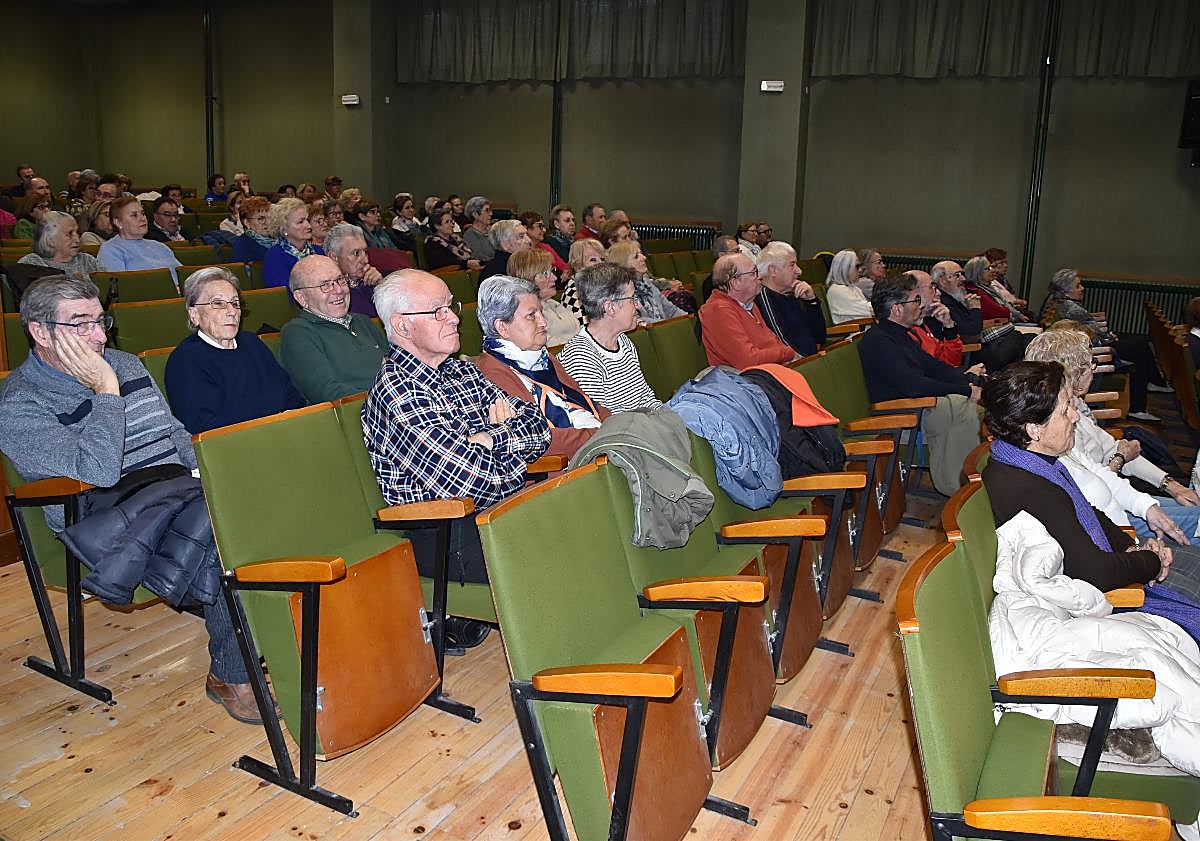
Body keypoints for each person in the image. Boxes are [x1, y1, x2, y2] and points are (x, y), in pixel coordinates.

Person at [0, 275, 263, 723]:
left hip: (175, 490)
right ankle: (231, 673)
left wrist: (205, 474)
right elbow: (99, 473)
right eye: (80, 325)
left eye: (100, 321)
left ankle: (265, 632)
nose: (99, 336)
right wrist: (106, 391)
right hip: (102, 516)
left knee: (256, 500)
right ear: (40, 332)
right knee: (225, 533)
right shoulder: (20, 403)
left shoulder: (124, 363)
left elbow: (173, 432)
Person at [362, 269, 550, 599]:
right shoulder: (397, 391)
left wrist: (492, 438)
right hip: (447, 536)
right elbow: (471, 483)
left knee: (587, 519)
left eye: (450, 307)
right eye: (438, 311)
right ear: (403, 325)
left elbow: (538, 425)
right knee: (569, 537)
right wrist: (507, 445)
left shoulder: (460, 369)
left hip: (494, 513)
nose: (453, 319)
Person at [981, 361, 1175, 593]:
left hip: (1114, 566)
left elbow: (1087, 510)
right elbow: (1096, 572)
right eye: (1065, 411)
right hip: (1099, 602)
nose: (1075, 416)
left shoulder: (1031, 462)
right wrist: (1150, 561)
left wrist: (1130, 547)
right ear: (1034, 429)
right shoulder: (1029, 489)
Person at [1023, 328, 1200, 541]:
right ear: (1074, 373)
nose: (1094, 370)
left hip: (1117, 498)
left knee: (1192, 506)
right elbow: (1090, 486)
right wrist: (1121, 458)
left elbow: (1109, 449)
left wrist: (1171, 486)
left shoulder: (1076, 408)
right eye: (1091, 364)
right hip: (1104, 516)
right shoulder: (1054, 427)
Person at [858, 273, 982, 496]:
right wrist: (963, 389)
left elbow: (933, 367)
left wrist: (968, 381)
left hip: (917, 408)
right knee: (962, 406)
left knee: (965, 405)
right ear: (897, 309)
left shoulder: (900, 335)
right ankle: (961, 487)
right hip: (899, 418)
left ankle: (964, 483)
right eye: (915, 300)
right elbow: (913, 386)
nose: (920, 306)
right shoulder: (878, 341)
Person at [474, 275, 610, 459]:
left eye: (540, 312)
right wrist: (603, 435)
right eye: (531, 316)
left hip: (596, 444)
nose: (543, 322)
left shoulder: (540, 356)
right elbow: (539, 439)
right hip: (567, 468)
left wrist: (613, 425)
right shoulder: (491, 374)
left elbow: (584, 402)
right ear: (502, 327)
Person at [165, 267, 305, 434]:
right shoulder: (186, 360)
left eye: (235, 303)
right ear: (194, 315)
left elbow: (291, 396)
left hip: (287, 434)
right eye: (218, 303)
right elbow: (205, 428)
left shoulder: (252, 343)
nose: (231, 312)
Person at [1044, 267, 1167, 422]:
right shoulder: (1071, 309)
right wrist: (1108, 338)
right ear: (1067, 292)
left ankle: (1151, 387)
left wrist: (1107, 336)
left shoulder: (1064, 303)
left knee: (1138, 352)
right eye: (1078, 286)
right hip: (1097, 351)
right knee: (1141, 346)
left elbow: (1089, 329)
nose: (1082, 289)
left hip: (1096, 344)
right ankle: (1149, 390)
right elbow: (1088, 335)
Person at [279, 254, 388, 403]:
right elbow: (328, 392)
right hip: (360, 415)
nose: (338, 290)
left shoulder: (364, 322)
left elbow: (396, 367)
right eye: (325, 285)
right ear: (301, 298)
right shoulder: (297, 333)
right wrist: (386, 401)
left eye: (340, 280)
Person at [558, 263, 663, 412]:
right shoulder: (581, 357)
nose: (638, 305)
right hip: (620, 433)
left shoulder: (623, 341)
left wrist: (667, 416)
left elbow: (646, 398)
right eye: (632, 298)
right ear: (610, 308)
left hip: (641, 426)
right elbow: (602, 422)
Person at [699, 252, 797, 368]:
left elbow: (771, 341)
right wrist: (787, 353)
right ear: (735, 283)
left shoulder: (748, 303)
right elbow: (747, 360)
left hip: (769, 370)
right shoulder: (718, 311)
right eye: (753, 273)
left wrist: (785, 354)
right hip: (743, 380)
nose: (759, 276)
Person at [755, 241, 826, 357]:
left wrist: (811, 301)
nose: (799, 271)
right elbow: (782, 344)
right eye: (792, 265)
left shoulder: (792, 294)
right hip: (796, 366)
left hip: (809, 361)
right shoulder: (763, 298)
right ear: (773, 270)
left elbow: (819, 337)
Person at [97, 196, 182, 287]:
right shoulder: (110, 250)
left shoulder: (160, 246)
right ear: (118, 223)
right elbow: (121, 287)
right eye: (134, 215)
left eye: (143, 213)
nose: (142, 219)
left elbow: (184, 276)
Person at [505, 249, 580, 346]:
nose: (554, 278)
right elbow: (546, 347)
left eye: (552, 271)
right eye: (545, 274)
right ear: (527, 278)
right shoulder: (523, 314)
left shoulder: (553, 303)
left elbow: (578, 329)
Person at [604, 240, 688, 324]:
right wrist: (666, 328)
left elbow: (671, 310)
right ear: (623, 264)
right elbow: (639, 321)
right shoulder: (622, 293)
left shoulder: (647, 283)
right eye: (636, 256)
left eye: (641, 253)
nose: (644, 257)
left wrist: (689, 320)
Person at [18, 211, 105, 284]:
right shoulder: (30, 264)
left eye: (77, 232)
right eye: (70, 233)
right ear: (50, 240)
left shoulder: (87, 261)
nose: (77, 239)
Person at [907, 269, 966, 367]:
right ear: (913, 293)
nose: (939, 293)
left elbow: (950, 363)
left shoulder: (923, 322)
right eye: (932, 287)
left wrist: (949, 327)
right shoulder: (906, 328)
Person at [324, 222, 383, 318]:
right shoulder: (332, 293)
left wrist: (381, 287)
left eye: (365, 252)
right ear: (334, 257)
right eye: (356, 253)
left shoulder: (371, 280)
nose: (365, 260)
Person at [262, 197, 323, 288]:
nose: (308, 225)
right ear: (283, 229)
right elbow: (283, 294)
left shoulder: (318, 251)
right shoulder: (275, 257)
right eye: (300, 222)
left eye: (307, 220)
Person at [559, 238, 607, 323]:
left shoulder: (600, 286)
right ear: (578, 265)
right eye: (593, 260)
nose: (601, 264)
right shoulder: (574, 293)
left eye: (602, 259)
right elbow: (585, 328)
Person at [423, 207, 482, 271]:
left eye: (451, 221)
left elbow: (470, 254)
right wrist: (466, 264)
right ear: (437, 226)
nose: (452, 225)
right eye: (447, 222)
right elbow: (444, 263)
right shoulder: (433, 244)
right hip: (451, 276)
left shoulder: (456, 239)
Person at [825, 249, 873, 324]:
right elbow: (868, 311)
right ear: (845, 268)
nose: (860, 270)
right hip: (849, 332)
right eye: (857, 266)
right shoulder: (837, 291)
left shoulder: (854, 288)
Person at [519, 210, 569, 275]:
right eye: (539, 226)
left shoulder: (545, 247)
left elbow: (564, 267)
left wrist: (566, 272)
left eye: (543, 226)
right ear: (525, 228)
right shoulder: (519, 250)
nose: (544, 230)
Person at [228, 196, 273, 264]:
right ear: (247, 223)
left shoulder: (280, 240)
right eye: (260, 218)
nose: (267, 222)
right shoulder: (242, 245)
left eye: (269, 217)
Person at [701, 234, 742, 301]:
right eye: (736, 251)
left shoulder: (739, 275)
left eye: (739, 251)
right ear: (722, 255)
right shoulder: (712, 283)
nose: (740, 255)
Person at [461, 196, 495, 263]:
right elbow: (480, 259)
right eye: (487, 210)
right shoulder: (469, 236)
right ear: (475, 214)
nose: (491, 214)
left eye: (490, 210)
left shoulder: (494, 230)